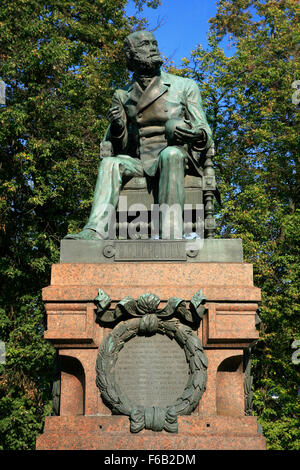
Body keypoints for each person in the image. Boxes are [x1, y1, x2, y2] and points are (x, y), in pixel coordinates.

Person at [65, 30, 213, 240]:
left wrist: (192, 133)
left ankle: (171, 235)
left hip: (173, 157)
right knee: (110, 164)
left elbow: (204, 129)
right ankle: (95, 231)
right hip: (139, 161)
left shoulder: (184, 87)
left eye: (154, 43)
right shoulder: (122, 95)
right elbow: (118, 144)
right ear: (131, 55)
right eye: (145, 45)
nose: (152, 48)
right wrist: (117, 126)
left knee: (171, 154)